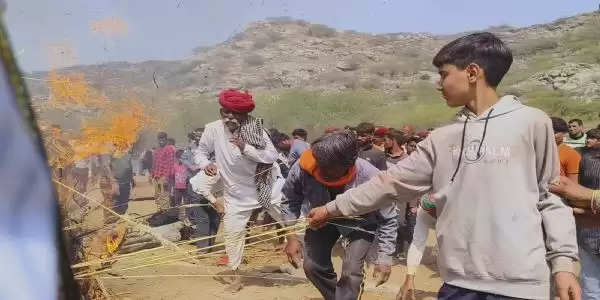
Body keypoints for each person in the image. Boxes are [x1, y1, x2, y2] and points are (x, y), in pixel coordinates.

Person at [308, 32, 581, 300]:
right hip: (457, 284)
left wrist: (564, 265)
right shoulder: (441, 138)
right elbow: (388, 183)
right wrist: (332, 209)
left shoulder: (532, 123)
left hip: (522, 283)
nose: (439, 84)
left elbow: (551, 198)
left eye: (444, 74)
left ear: (472, 72)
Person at [281, 131, 397, 300]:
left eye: (328, 168)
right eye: (319, 164)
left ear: (348, 165)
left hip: (360, 222)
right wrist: (291, 236)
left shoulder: (369, 176)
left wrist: (385, 258)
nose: (320, 170)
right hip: (322, 220)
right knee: (312, 266)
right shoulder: (303, 167)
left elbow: (388, 217)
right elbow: (290, 199)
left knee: (351, 272)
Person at [194, 89, 286, 292]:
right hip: (235, 194)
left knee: (292, 221)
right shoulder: (212, 129)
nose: (230, 117)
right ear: (221, 112)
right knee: (233, 235)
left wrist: (246, 148)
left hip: (265, 187)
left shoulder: (256, 129)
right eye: (226, 112)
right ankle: (236, 277)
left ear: (244, 115)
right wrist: (205, 164)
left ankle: (306, 260)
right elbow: (200, 153)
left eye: (235, 113)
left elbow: (271, 156)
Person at [571, 128, 600, 300]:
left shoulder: (580, 157)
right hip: (587, 230)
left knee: (591, 283)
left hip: (586, 230)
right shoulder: (582, 157)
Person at [553, 117, 582, 182]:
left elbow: (573, 184)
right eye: (547, 131)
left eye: (554, 132)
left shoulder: (571, 154)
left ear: (565, 134)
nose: (550, 134)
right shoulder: (537, 150)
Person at [152, 132, 175, 212]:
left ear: (166, 139)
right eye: (159, 139)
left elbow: (170, 164)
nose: (161, 141)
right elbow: (155, 163)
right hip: (156, 176)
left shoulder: (169, 149)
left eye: (163, 139)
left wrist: (166, 178)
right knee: (157, 196)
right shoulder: (157, 150)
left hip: (164, 177)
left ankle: (165, 214)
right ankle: (160, 212)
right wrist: (152, 175)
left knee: (164, 196)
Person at [173, 149, 190, 222]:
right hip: (177, 188)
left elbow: (190, 175)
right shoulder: (174, 166)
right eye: (178, 158)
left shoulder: (187, 166)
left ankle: (187, 217)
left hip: (186, 187)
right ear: (176, 158)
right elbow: (172, 177)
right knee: (177, 203)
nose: (180, 159)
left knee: (187, 203)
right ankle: (177, 218)